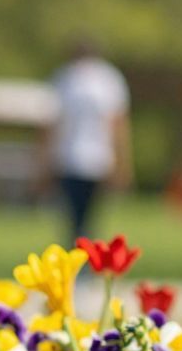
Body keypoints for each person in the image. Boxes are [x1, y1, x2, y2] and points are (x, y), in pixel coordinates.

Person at [44, 38, 131, 244]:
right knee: (89, 216)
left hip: (69, 157)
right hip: (99, 157)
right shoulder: (109, 79)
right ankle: (84, 253)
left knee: (75, 215)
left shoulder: (63, 78)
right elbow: (118, 126)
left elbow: (51, 125)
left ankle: (79, 253)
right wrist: (123, 163)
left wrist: (44, 162)